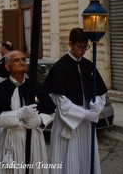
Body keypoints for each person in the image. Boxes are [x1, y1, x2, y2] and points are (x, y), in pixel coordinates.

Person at [43, 28, 108, 174]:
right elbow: (60, 102)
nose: (83, 50)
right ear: (70, 44)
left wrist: (97, 104)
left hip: (86, 123)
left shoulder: (89, 65)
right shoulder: (59, 68)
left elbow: (101, 93)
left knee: (86, 156)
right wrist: (84, 114)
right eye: (79, 46)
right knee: (68, 158)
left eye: (86, 47)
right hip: (68, 121)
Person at [0, 50, 55, 172]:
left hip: (34, 138)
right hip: (12, 138)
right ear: (7, 66)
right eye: (16, 60)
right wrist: (18, 114)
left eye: (23, 59)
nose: (22, 62)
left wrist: (39, 119)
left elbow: (51, 111)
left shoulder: (36, 86)